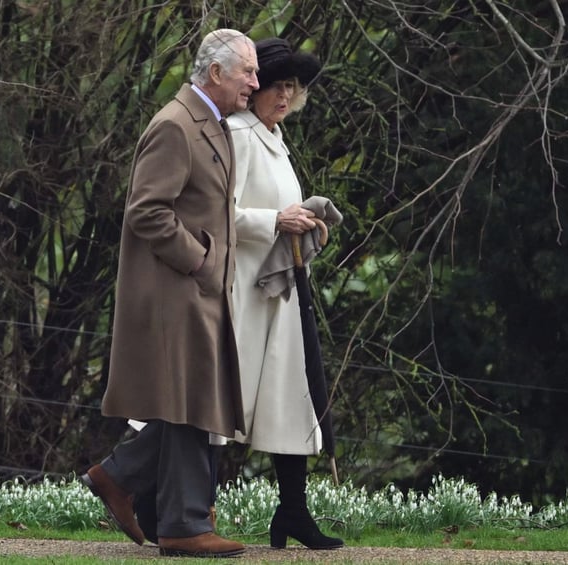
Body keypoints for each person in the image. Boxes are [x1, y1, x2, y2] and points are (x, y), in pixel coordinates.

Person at [79, 28, 259, 558]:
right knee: (189, 404)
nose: (255, 80)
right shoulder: (176, 125)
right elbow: (146, 210)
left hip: (198, 292)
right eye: (247, 71)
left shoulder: (210, 122)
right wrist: (200, 260)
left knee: (194, 402)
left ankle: (121, 478)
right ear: (216, 73)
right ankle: (180, 523)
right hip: (176, 291)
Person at [226, 37, 344, 550]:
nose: (283, 95)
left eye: (292, 88)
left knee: (287, 402)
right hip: (243, 293)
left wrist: (307, 222)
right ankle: (150, 495)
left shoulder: (276, 140)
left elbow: (283, 212)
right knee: (222, 407)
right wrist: (276, 219)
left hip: (282, 291)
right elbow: (222, 213)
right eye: (276, 85)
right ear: (254, 89)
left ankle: (293, 512)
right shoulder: (236, 135)